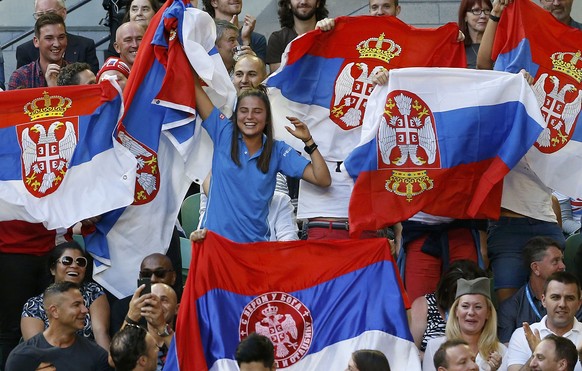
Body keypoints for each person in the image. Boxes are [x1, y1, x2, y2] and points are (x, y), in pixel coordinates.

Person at [192, 69, 331, 243]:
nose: (249, 117)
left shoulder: (277, 150)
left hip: (255, 250)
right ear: (236, 116)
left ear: (266, 118)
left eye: (257, 111)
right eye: (243, 111)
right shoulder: (223, 132)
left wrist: (309, 141)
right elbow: (195, 88)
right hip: (216, 247)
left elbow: (323, 179)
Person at [20, 241, 110, 350]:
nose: (74, 266)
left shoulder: (93, 291)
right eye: (67, 261)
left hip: (91, 361)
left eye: (80, 262)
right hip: (51, 361)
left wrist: (106, 365)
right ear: (53, 269)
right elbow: (36, 349)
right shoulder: (34, 305)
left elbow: (101, 333)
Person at [7, 282, 112, 371]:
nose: (85, 310)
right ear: (55, 311)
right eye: (76, 305)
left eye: (83, 304)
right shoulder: (22, 356)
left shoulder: (97, 355)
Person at [497, 237, 575, 344]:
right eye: (555, 261)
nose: (563, 266)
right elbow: (507, 353)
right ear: (536, 268)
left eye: (562, 260)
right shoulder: (511, 308)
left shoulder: (573, 301)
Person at [423, 277, 506, 371]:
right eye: (465, 306)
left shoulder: (501, 352)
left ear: (488, 313)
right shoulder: (435, 346)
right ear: (456, 311)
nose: (471, 312)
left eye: (478, 307)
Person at [506, 272, 582, 371]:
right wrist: (536, 355)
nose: (562, 304)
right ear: (543, 300)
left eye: (569, 298)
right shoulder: (522, 335)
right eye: (555, 297)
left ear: (579, 303)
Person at [410, 260, 488, 355]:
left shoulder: (478, 312)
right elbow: (411, 351)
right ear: (446, 289)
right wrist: (437, 360)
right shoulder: (424, 305)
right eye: (457, 293)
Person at [16, 0, 99, 74]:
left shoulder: (85, 45)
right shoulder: (24, 51)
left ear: (63, 13)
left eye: (50, 13)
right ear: (36, 42)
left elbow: (92, 84)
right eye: (40, 14)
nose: (45, 18)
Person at [109, 253, 177, 335]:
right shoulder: (123, 307)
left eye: (160, 273)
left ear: (173, 277)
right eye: (146, 274)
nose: (153, 279)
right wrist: (131, 317)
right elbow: (118, 347)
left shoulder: (187, 305)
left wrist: (162, 327)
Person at [122, 283, 176, 370]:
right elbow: (114, 360)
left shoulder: (186, 336)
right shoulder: (135, 338)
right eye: (151, 300)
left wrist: (161, 326)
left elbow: (189, 361)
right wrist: (131, 316)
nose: (156, 304)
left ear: (177, 308)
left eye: (164, 300)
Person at [266, 0, 329, 73]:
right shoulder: (278, 39)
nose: (303, 2)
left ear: (318, 3)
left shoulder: (330, 34)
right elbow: (279, 78)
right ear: (289, 4)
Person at [8, 13, 68, 90]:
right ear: (36, 41)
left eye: (61, 37)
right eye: (49, 38)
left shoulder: (78, 74)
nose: (57, 44)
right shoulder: (21, 77)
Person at [202, 0, 267, 61]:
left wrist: (246, 41)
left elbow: (257, 71)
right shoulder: (205, 36)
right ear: (214, 2)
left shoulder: (257, 39)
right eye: (231, 40)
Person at [458, 0, 492, 68]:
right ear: (465, 16)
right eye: (476, 10)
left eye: (487, 10)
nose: (483, 16)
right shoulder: (457, 48)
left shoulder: (500, 46)